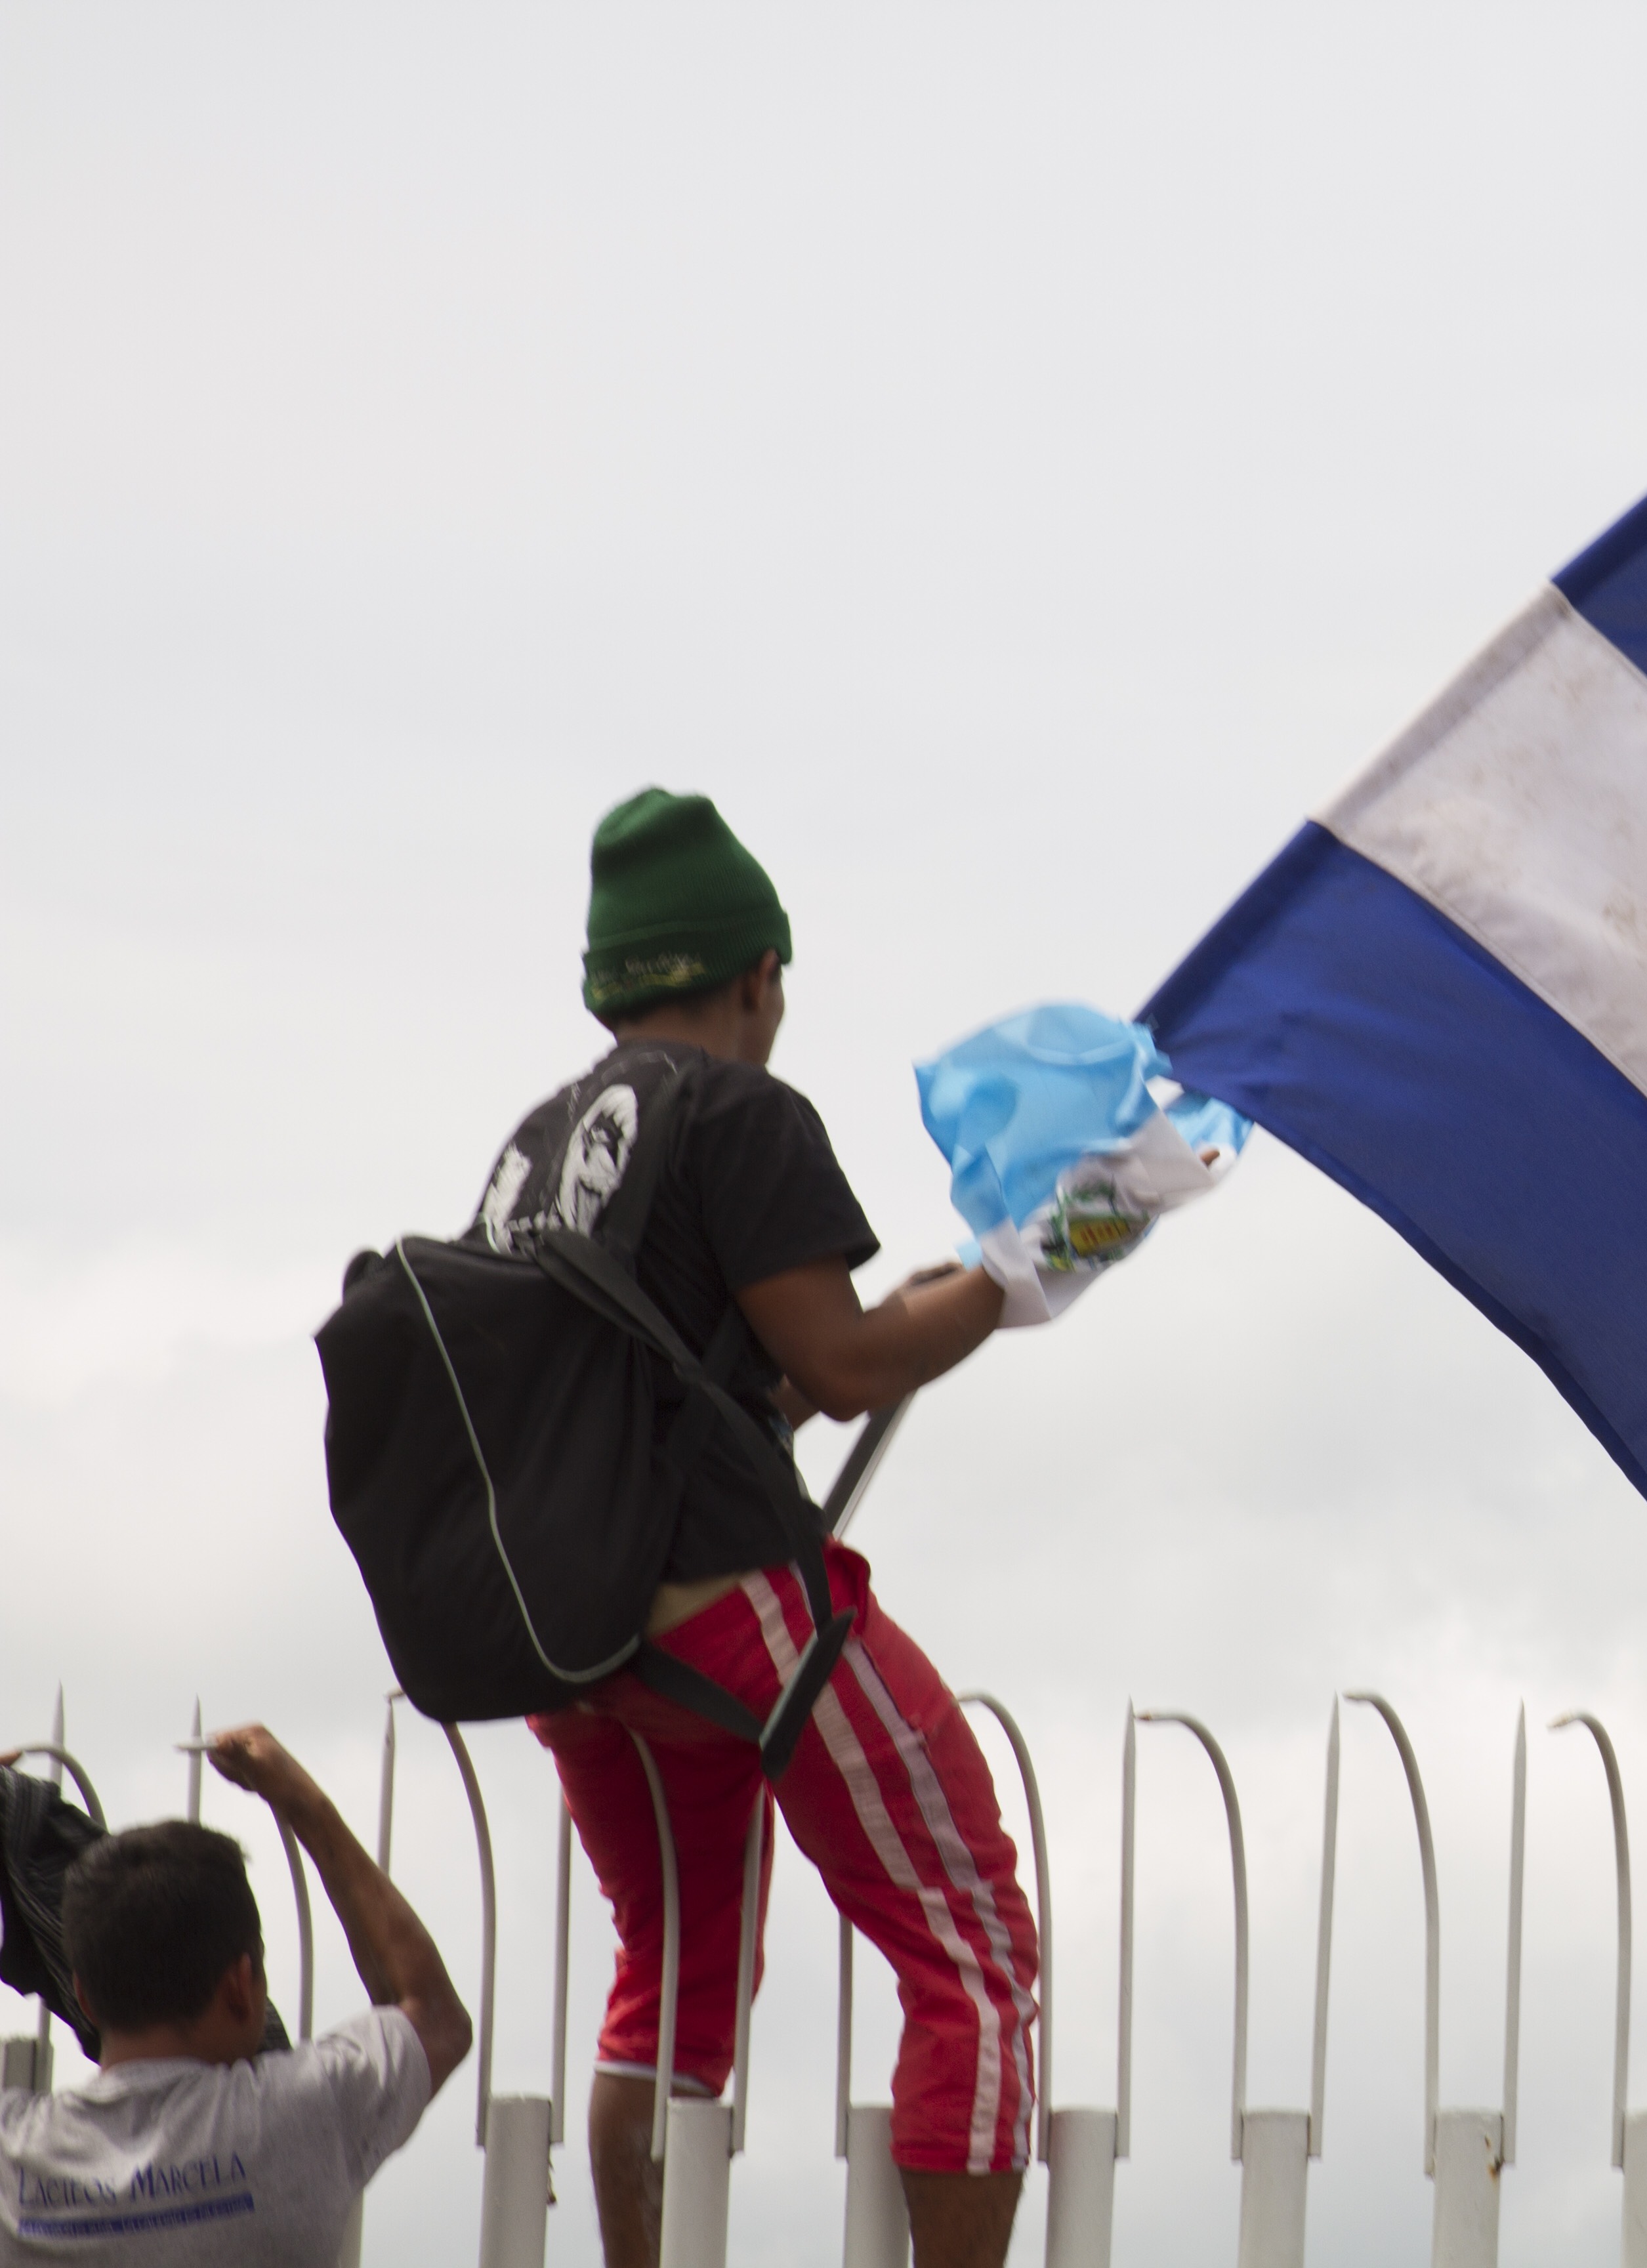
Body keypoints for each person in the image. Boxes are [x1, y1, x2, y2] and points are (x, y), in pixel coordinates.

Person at [474, 789, 1033, 2268]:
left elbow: (732, 1377)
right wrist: (1036, 1264)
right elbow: (844, 1368)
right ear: (758, 973)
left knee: (671, 1985)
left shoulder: (539, 1144)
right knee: (970, 1953)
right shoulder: (739, 1110)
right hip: (731, 1617)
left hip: (572, 1647)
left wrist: (910, 1312)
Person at [0, 1726, 471, 2264]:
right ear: (240, 1987)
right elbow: (434, 2016)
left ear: (82, 1993)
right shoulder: (301, 2116)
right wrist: (301, 1801)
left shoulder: (15, 2161)